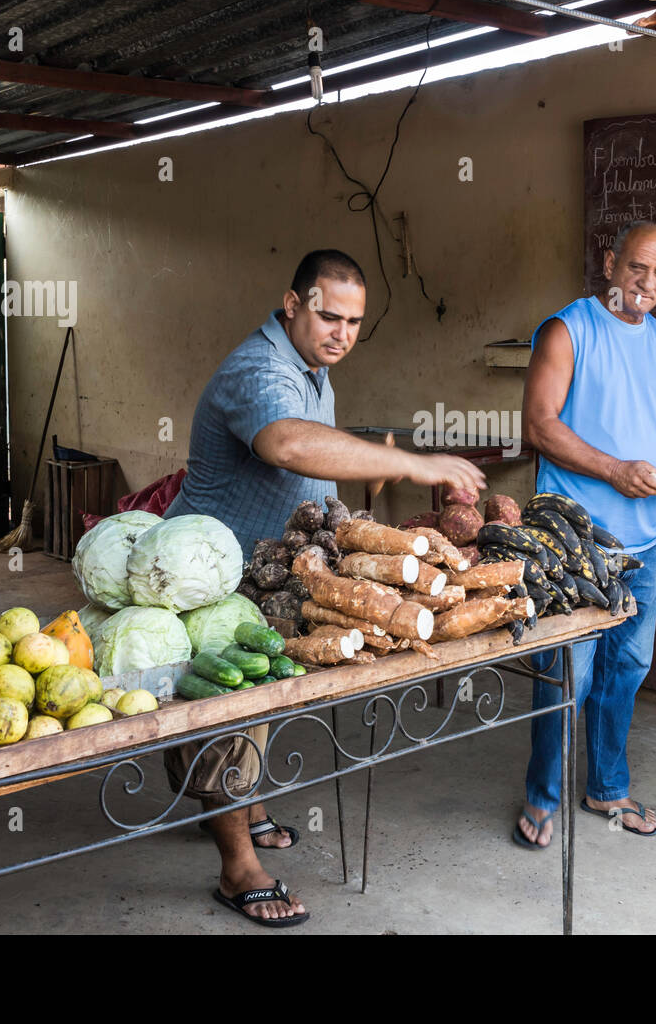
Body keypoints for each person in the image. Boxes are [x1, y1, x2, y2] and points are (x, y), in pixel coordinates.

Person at [165, 248, 485, 926]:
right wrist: (410, 462)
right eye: (328, 315)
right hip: (213, 576)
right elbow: (288, 445)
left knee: (267, 699)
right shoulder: (259, 368)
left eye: (354, 321)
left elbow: (314, 465)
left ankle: (239, 811)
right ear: (292, 304)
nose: (341, 332)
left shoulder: (313, 371)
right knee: (234, 709)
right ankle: (236, 870)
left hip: (272, 570)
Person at [514, 220, 656, 849]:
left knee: (627, 667)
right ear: (609, 263)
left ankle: (606, 787)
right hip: (572, 542)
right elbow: (539, 426)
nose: (647, 285)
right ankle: (543, 795)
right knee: (568, 671)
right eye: (637, 269)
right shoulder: (568, 330)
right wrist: (612, 470)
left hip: (642, 542)